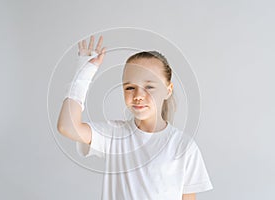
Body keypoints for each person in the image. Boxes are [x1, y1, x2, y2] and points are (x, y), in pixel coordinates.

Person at [57, 35, 213, 200]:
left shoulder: (183, 146)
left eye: (149, 86)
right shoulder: (114, 135)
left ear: (168, 90)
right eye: (130, 87)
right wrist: (84, 72)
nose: (138, 95)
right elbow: (67, 126)